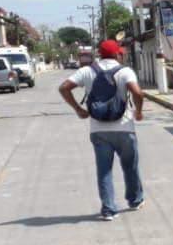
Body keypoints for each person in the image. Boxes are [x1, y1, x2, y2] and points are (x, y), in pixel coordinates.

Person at [58, 39, 146, 221]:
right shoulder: (125, 71)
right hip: (124, 128)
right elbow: (137, 93)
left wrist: (78, 109)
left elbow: (64, 88)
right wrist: (138, 111)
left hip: (98, 130)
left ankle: (108, 209)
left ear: (99, 53)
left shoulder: (87, 71)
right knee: (130, 166)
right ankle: (135, 200)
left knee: (104, 170)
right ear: (117, 54)